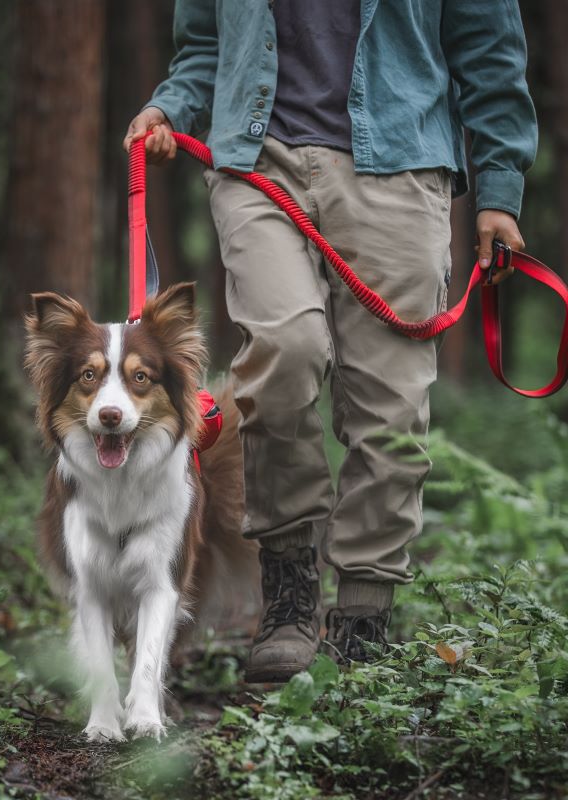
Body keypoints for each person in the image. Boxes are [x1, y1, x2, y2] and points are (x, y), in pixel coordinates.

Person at [124, 0, 537, 682]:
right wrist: (171, 106)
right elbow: (203, 44)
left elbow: (490, 50)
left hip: (401, 164)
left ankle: (364, 616)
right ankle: (288, 595)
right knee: (282, 355)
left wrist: (499, 187)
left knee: (390, 405)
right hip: (259, 160)